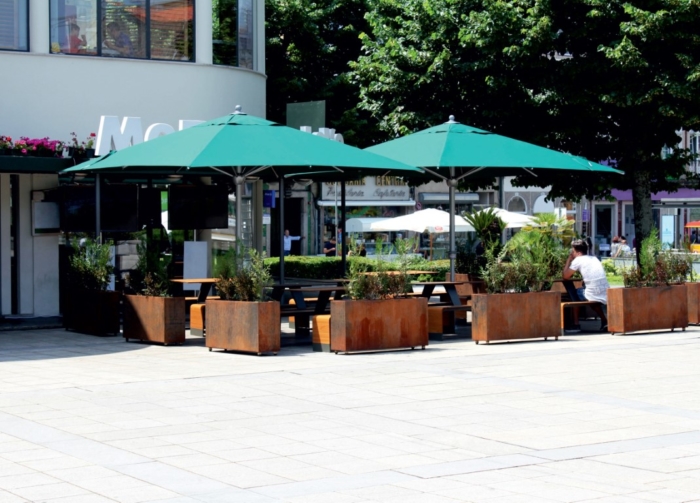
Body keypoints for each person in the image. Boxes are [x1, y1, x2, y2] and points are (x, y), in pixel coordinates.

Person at [563, 239, 609, 331]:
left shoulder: (578, 260)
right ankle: (604, 320)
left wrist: (569, 260)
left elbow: (565, 276)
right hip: (605, 292)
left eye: (573, 251)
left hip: (592, 293)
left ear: (577, 252)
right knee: (589, 296)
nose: (572, 253)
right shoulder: (594, 258)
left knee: (573, 294)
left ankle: (575, 324)